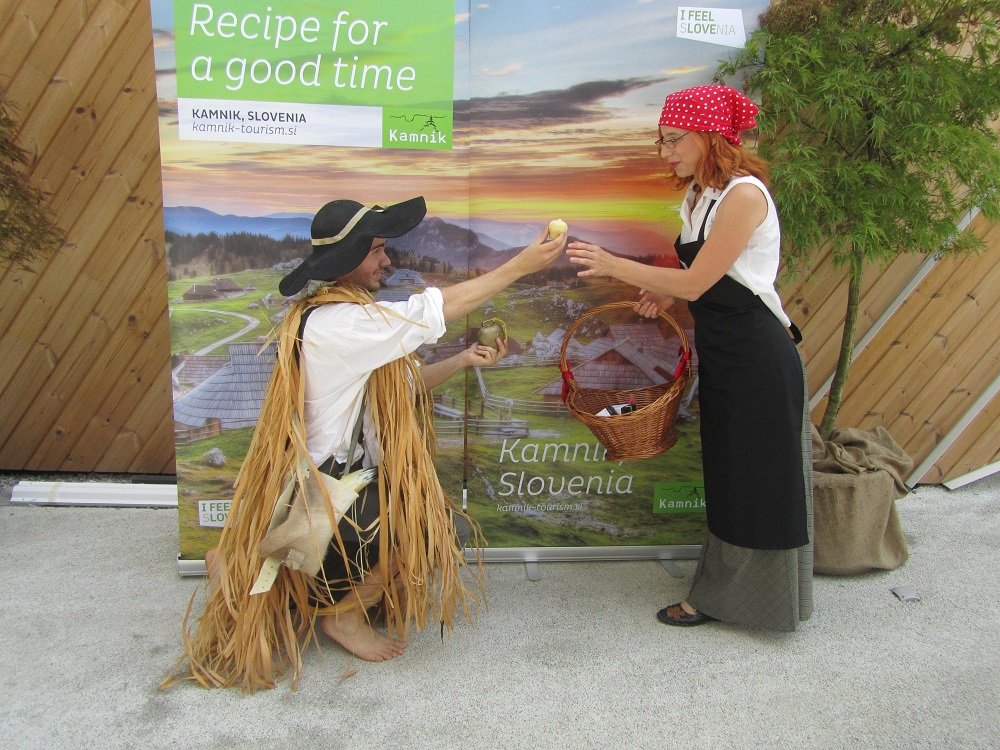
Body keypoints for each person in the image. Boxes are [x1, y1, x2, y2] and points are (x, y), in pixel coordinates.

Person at [175, 197, 565, 690]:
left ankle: (234, 565)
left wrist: (464, 359)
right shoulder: (341, 323)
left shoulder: (336, 316)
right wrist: (520, 265)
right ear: (348, 258)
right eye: (377, 249)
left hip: (323, 486)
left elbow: (405, 384)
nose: (387, 259)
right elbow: (433, 311)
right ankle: (343, 615)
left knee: (407, 513)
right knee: (424, 523)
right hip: (324, 493)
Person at [566, 84, 812, 631]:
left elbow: (700, 281)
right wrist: (664, 293)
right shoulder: (701, 197)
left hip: (758, 357)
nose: (665, 151)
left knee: (757, 479)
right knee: (729, 476)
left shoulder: (743, 196)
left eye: (674, 139)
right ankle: (726, 593)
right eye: (662, 140)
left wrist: (614, 264)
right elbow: (704, 276)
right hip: (724, 354)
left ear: (709, 136)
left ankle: (745, 600)